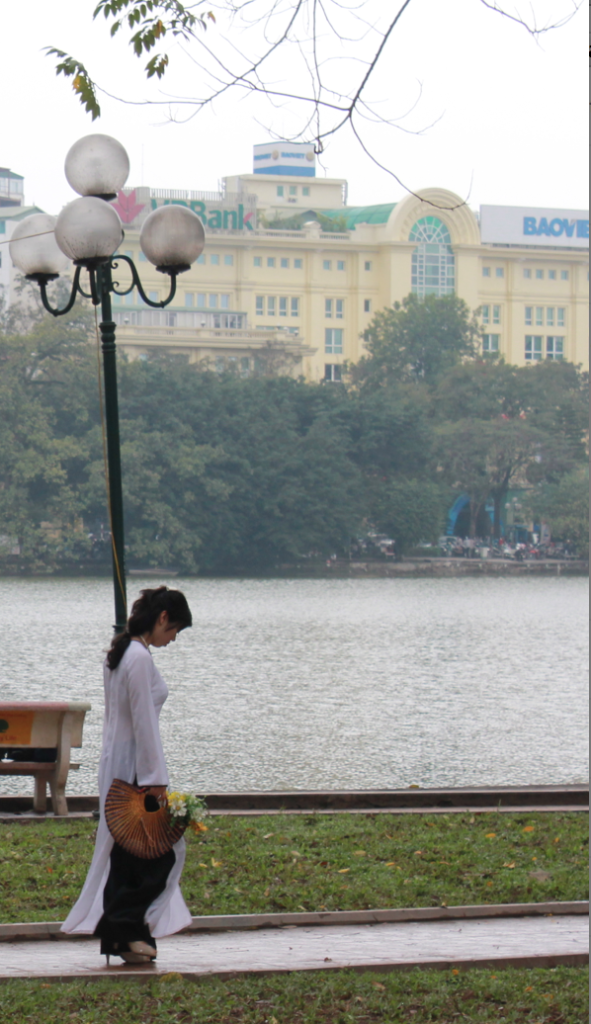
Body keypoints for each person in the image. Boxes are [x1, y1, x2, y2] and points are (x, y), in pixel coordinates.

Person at [61, 586, 193, 965]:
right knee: (160, 853)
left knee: (129, 853)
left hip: (116, 763)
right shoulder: (137, 659)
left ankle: (125, 933)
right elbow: (143, 723)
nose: (172, 640)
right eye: (174, 631)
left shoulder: (120, 655)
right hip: (135, 768)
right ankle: (124, 925)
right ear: (162, 618)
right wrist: (156, 780)